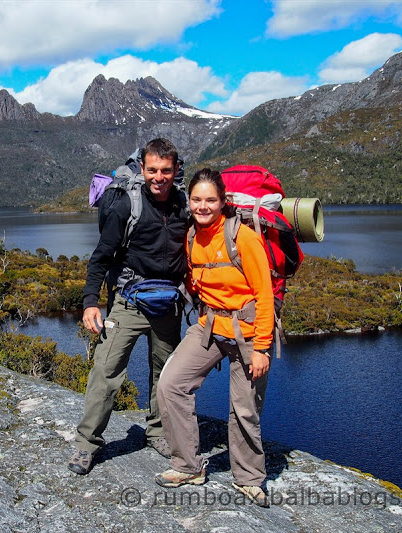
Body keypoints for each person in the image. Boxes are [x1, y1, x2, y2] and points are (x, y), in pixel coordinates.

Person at [154, 168, 275, 507]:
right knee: (170, 384)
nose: (202, 206)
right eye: (196, 200)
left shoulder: (242, 238)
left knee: (244, 409)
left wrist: (262, 348)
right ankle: (187, 466)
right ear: (189, 201)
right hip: (209, 326)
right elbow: (194, 283)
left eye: (210, 200)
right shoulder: (192, 236)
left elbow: (264, 295)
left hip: (248, 333)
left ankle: (249, 478)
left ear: (223, 201)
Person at [68, 138, 189, 475]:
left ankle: (158, 432)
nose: (159, 177)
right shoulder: (127, 204)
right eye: (153, 170)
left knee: (165, 374)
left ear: (176, 170)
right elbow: (101, 255)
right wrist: (90, 302)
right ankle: (87, 445)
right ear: (143, 168)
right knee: (106, 371)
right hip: (128, 302)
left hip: (168, 304)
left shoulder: (184, 204)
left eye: (166, 170)